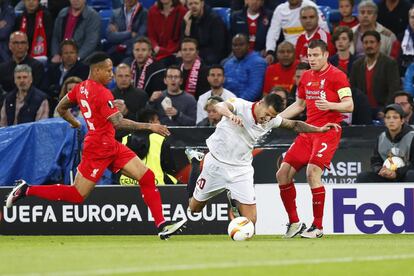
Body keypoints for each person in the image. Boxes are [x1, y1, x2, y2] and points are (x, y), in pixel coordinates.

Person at [5, 52, 187, 240]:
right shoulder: (101, 92)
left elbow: (61, 108)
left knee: (147, 177)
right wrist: (150, 126)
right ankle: (26, 189)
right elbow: (118, 122)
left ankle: (162, 226)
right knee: (77, 195)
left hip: (110, 144)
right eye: (108, 70)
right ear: (97, 70)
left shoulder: (81, 87)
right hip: (98, 148)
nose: (111, 74)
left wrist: (75, 123)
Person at [187, 93, 339, 226]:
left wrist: (318, 129)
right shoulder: (241, 106)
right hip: (216, 164)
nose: (267, 119)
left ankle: (234, 202)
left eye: (272, 117)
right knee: (194, 209)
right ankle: (195, 162)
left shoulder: (270, 120)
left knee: (251, 222)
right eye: (267, 114)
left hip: (241, 170)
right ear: (260, 103)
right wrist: (230, 115)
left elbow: (295, 125)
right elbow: (220, 106)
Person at [276, 40, 354, 239]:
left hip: (328, 131)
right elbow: (300, 105)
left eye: (316, 55)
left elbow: (349, 105)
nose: (312, 59)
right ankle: (294, 223)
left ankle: (317, 227)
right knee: (282, 174)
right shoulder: (306, 77)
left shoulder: (337, 76)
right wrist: (277, 119)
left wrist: (330, 105)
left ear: (326, 55)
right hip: (309, 130)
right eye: (309, 56)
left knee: (312, 173)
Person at [119, 108, 178, 185]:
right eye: (157, 120)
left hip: (126, 183)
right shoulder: (159, 139)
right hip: (156, 183)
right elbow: (170, 167)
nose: (160, 123)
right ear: (151, 122)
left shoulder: (125, 139)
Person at [356, 104, 414, 182]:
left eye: (395, 117)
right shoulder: (381, 138)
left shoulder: (411, 136)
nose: (391, 120)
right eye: (388, 117)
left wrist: (396, 173)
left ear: (402, 120)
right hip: (387, 175)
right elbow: (375, 161)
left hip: (405, 174)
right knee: (363, 177)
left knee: (411, 174)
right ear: (384, 120)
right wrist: (381, 170)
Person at [350, 30, 400, 121]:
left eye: (372, 42)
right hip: (361, 110)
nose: (369, 45)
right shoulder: (356, 65)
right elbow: (352, 89)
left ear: (379, 44)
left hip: (382, 110)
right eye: (366, 42)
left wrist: (386, 109)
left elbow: (394, 89)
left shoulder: (389, 63)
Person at [264, 0, 328, 64]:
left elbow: (324, 27)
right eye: (304, 18)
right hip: (288, 51)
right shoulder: (280, 10)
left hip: (309, 47)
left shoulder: (310, 6)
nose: (308, 20)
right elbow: (272, 32)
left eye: (310, 17)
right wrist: (270, 51)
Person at [182, 0, 228, 65]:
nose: (193, 6)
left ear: (202, 3)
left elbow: (218, 47)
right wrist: (187, 26)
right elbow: (184, 43)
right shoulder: (187, 19)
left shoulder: (214, 19)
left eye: (196, 3)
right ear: (186, 5)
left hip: (212, 54)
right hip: (195, 52)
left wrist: (197, 53)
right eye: (190, 4)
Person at [223, 33, 267, 101]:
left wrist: (237, 104)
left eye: (241, 45)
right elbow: (223, 87)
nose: (237, 48)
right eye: (235, 45)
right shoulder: (227, 64)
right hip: (229, 103)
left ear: (248, 45)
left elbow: (254, 90)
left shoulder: (258, 62)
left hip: (248, 106)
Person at [106, 0, 148, 65]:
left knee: (123, 68)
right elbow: (110, 36)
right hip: (116, 51)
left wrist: (119, 36)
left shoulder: (144, 14)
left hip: (131, 52)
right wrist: (130, 34)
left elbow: (140, 37)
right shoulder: (115, 14)